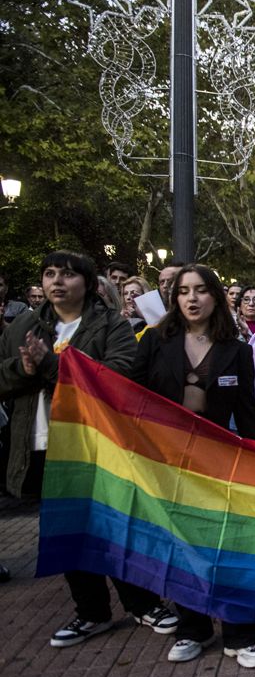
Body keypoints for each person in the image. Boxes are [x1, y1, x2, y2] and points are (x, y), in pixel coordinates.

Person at [0, 251, 177, 646]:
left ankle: (143, 603)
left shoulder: (109, 325)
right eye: (49, 274)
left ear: (88, 283)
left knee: (114, 524)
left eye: (67, 274)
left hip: (96, 444)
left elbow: (115, 376)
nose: (56, 282)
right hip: (41, 444)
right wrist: (23, 369)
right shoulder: (23, 327)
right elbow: (4, 376)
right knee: (67, 530)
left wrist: (48, 367)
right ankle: (91, 612)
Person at [132, 265, 255, 667]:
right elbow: (128, 395)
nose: (192, 299)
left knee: (231, 544)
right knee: (181, 545)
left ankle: (241, 634)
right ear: (174, 299)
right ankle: (194, 627)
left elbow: (248, 412)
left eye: (201, 290)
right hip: (168, 462)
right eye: (183, 292)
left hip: (222, 461)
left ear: (215, 297)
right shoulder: (155, 341)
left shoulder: (237, 350)